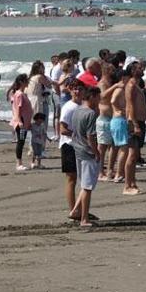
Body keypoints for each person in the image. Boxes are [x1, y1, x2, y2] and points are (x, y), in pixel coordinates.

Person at [68, 86, 102, 227]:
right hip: (87, 152)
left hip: (78, 150)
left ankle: (75, 211)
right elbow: (91, 136)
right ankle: (84, 219)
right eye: (98, 97)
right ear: (92, 96)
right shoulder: (90, 113)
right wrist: (96, 152)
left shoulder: (77, 110)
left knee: (84, 185)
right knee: (87, 187)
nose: (99, 100)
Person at [59, 79, 87, 218]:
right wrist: (78, 135)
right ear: (70, 90)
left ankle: (79, 208)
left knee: (82, 179)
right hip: (68, 145)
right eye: (74, 89)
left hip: (79, 146)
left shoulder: (82, 106)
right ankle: (73, 210)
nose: (77, 91)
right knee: (72, 178)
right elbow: (63, 129)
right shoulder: (69, 107)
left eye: (80, 89)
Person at [123, 61, 146, 195]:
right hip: (133, 122)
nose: (142, 69)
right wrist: (135, 124)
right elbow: (130, 105)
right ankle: (127, 185)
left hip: (139, 121)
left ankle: (133, 183)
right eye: (139, 68)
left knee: (135, 155)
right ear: (133, 70)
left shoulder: (136, 85)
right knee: (131, 155)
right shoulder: (131, 85)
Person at [9, 74, 33, 170]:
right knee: (21, 141)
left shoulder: (21, 93)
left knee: (21, 141)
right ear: (22, 82)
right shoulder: (19, 94)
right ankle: (18, 164)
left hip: (24, 121)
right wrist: (19, 121)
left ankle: (20, 163)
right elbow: (18, 109)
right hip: (21, 122)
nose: (28, 82)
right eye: (26, 80)